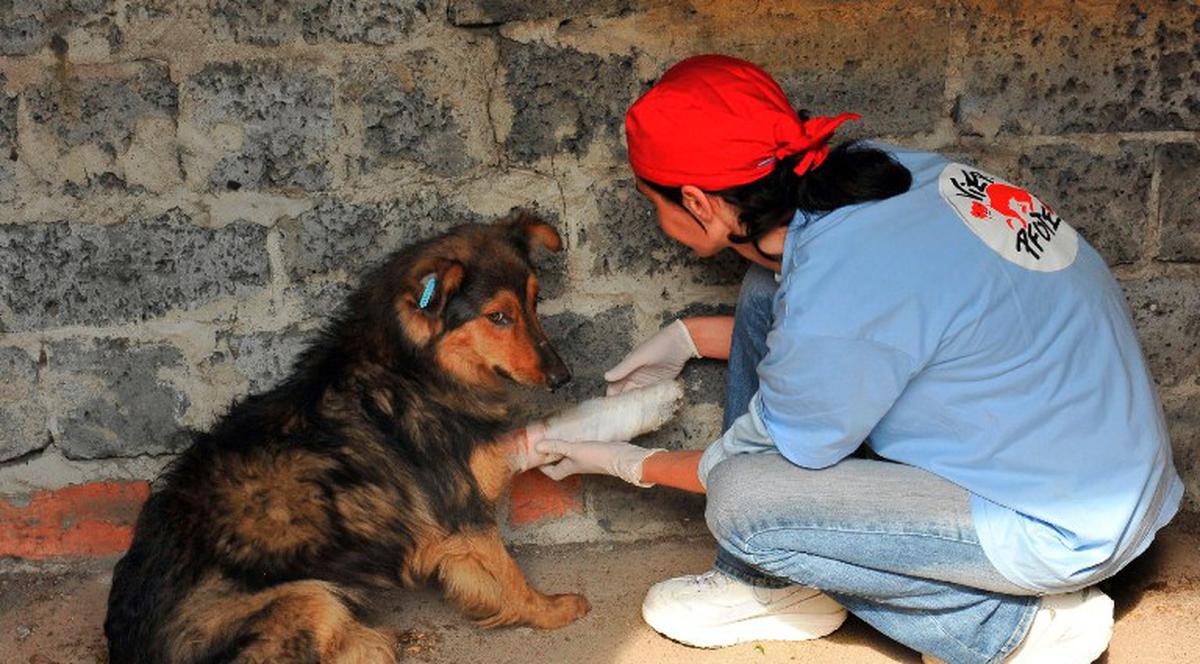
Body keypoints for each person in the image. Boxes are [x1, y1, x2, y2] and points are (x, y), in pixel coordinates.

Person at [532, 54, 1183, 664]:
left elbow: (742, 465)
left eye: (656, 203)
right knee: (767, 284)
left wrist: (612, 457)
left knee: (743, 503)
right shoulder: (887, 179)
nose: (655, 215)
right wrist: (689, 338)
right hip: (1098, 468)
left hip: (1062, 523)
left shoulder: (835, 288)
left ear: (699, 204)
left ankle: (1015, 629)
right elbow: (856, 335)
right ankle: (764, 584)